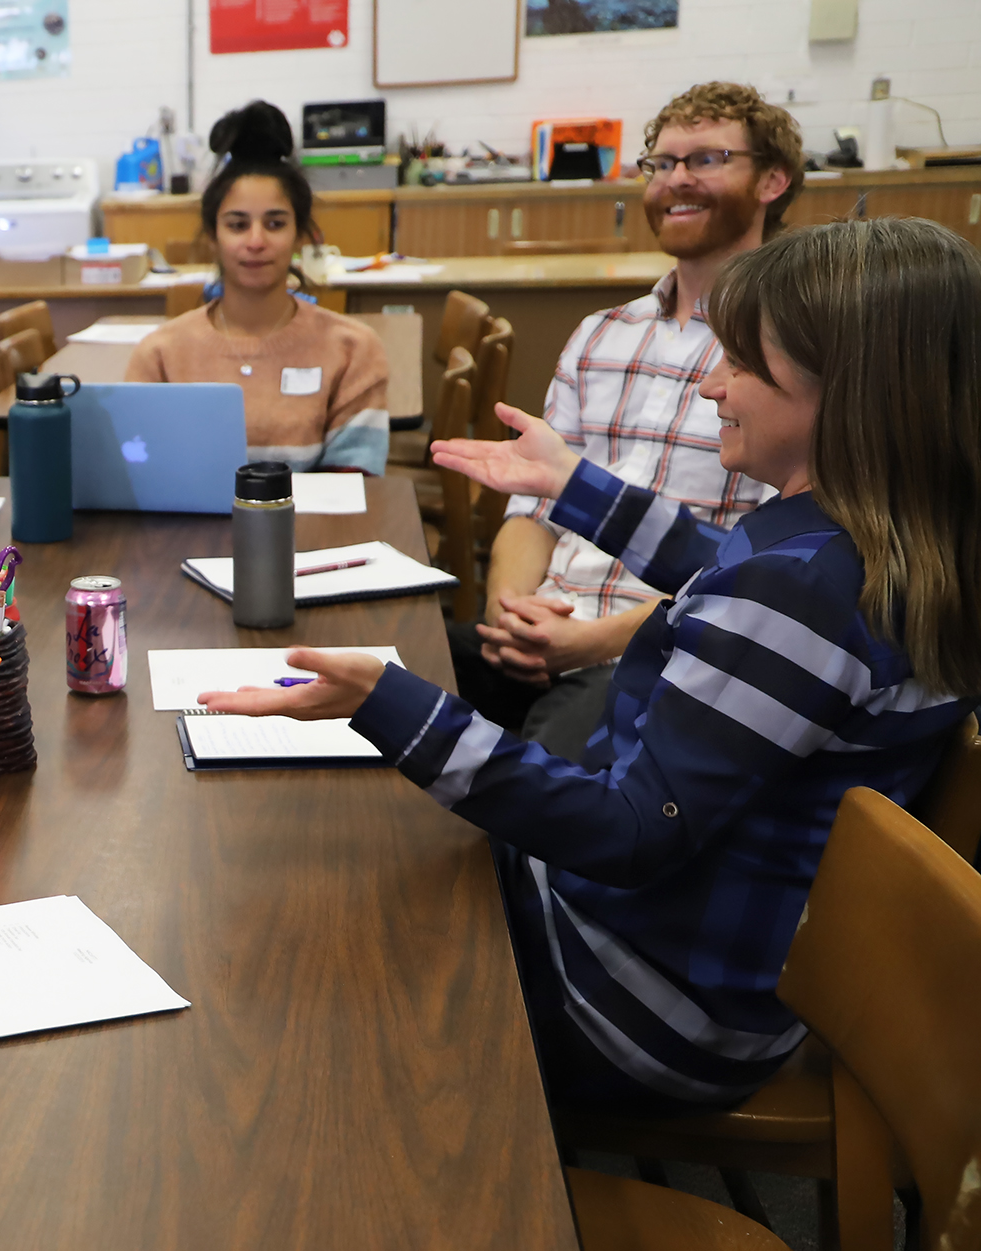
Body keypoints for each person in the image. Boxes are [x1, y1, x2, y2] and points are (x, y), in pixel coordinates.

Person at [204, 218, 981, 1114]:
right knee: (365, 860)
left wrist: (397, 705)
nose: (712, 384)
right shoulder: (872, 547)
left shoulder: (800, 592)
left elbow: (628, 830)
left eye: (744, 364)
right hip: (712, 980)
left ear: (848, 393)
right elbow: (723, 576)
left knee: (302, 947)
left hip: (634, 1006)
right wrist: (574, 486)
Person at [453, 82, 800, 759]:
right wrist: (508, 610)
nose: (676, 180)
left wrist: (587, 643)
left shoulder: (784, 354)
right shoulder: (601, 333)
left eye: (706, 160)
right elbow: (532, 506)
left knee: (537, 793)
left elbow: (759, 572)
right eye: (662, 163)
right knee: (385, 689)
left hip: (667, 651)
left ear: (773, 180)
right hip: (544, 626)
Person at [124, 101, 390, 475]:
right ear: (213, 238)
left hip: (315, 533)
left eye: (275, 223)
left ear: (300, 236)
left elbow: (354, 490)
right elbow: (140, 475)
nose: (255, 241)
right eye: (237, 225)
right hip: (191, 533)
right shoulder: (160, 355)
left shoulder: (353, 350)